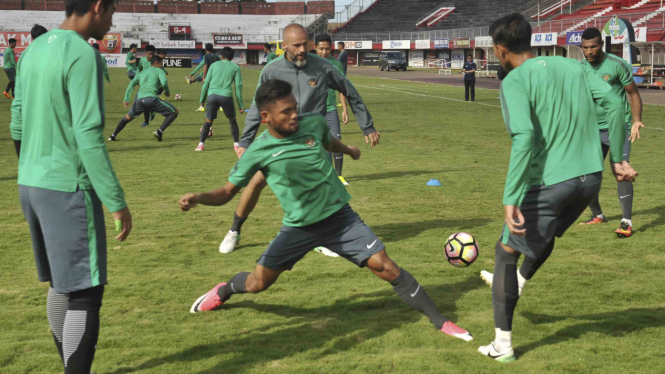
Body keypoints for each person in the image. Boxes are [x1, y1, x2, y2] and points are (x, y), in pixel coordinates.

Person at [179, 79, 473, 343]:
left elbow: (327, 140)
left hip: (340, 219)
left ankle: (441, 322)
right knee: (258, 283)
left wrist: (348, 150)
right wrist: (198, 197)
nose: (295, 115)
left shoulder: (312, 123)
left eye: (295, 108)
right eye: (286, 112)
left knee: (387, 267)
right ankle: (225, 289)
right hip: (298, 228)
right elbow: (227, 192)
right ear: (266, 117)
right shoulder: (258, 150)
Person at [477, 13, 638, 362]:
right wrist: (617, 160)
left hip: (551, 182)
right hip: (589, 180)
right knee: (545, 237)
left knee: (505, 251)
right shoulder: (573, 66)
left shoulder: (514, 81)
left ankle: (501, 345)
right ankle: (519, 283)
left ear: (500, 49)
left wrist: (510, 197)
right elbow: (613, 102)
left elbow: (524, 137)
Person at [9, 0, 132, 372]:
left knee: (62, 285)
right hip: (67, 188)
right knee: (84, 292)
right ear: (97, 6)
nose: (113, 20)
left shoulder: (31, 51)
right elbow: (89, 135)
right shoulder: (82, 54)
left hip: (31, 183)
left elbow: (17, 120)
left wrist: (32, 169)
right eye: (112, 11)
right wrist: (116, 200)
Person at [218, 24, 379, 255]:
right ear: (284, 46)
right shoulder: (272, 70)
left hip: (312, 143)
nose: (303, 49)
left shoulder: (323, 67)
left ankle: (323, 239)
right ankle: (234, 230)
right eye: (297, 45)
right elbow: (257, 106)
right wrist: (245, 141)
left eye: (306, 44)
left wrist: (367, 126)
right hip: (278, 140)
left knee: (323, 189)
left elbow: (350, 92)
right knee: (256, 183)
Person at [578, 27, 645, 238]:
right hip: (592, 129)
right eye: (585, 47)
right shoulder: (579, 69)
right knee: (584, 177)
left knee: (621, 172)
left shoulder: (616, 65)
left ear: (601, 45)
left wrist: (636, 120)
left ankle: (626, 222)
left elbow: (633, 93)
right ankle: (597, 215)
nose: (589, 51)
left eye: (593, 46)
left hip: (619, 127)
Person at [108, 55, 178, 142]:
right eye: (161, 63)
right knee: (174, 112)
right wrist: (167, 92)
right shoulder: (159, 70)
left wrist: (126, 98)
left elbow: (132, 84)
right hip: (152, 99)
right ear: (156, 63)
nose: (162, 65)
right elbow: (164, 83)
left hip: (139, 101)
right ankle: (159, 131)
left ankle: (112, 136)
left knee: (126, 118)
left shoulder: (142, 73)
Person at [315, 34, 350, 185]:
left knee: (336, 139)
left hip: (331, 109)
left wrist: (344, 109)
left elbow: (342, 88)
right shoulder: (309, 64)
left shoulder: (336, 63)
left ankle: (339, 175)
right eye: (321, 49)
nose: (324, 52)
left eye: (327, 49)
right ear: (315, 48)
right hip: (315, 110)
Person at [196, 47, 244, 152]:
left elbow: (206, 83)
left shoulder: (213, 65)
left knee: (208, 121)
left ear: (221, 56)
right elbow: (238, 87)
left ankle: (200, 145)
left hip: (212, 95)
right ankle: (236, 144)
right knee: (232, 120)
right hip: (226, 96)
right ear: (232, 57)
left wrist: (202, 100)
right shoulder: (235, 67)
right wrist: (241, 105)